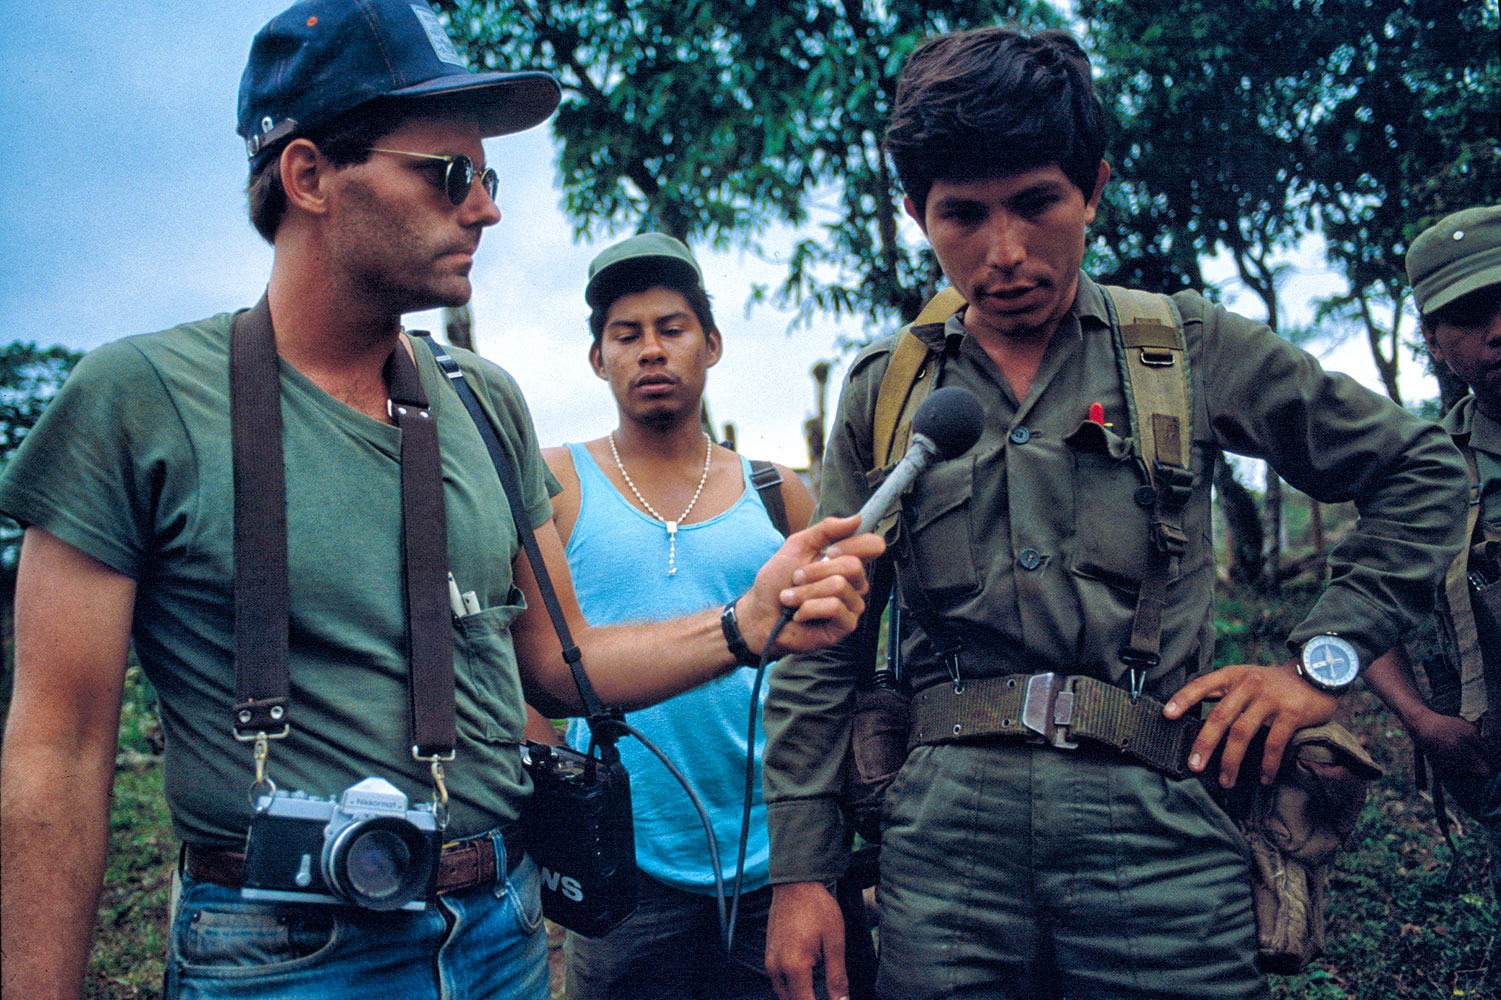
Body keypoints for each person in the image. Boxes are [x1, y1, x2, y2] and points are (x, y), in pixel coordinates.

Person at [0, 4, 881, 1000]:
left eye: (487, 177)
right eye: (448, 174)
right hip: (278, 956)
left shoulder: (480, 398)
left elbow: (557, 664)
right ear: (308, 177)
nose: (485, 209)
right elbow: (60, 747)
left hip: (496, 934)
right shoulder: (140, 401)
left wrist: (743, 622)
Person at [759, 25, 1469, 1000]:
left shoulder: (1184, 347)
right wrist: (801, 871)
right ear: (916, 213)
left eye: (1036, 203)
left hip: (1159, 827)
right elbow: (822, 645)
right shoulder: (884, 391)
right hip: (940, 850)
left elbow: (1422, 468)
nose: (1003, 253)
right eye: (961, 215)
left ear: (1092, 186)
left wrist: (1322, 663)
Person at [523, 232, 816, 999]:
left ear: (710, 345)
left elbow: (826, 668)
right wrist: (556, 780)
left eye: (671, 328)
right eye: (626, 334)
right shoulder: (555, 483)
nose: (650, 350)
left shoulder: (778, 493)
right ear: (598, 358)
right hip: (627, 866)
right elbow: (514, 650)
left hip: (777, 858)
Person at [1364, 205, 1501, 896]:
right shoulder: (1427, 476)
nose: (1499, 330)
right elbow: (1360, 613)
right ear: (1431, 339)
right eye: (1472, 313)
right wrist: (1420, 722)